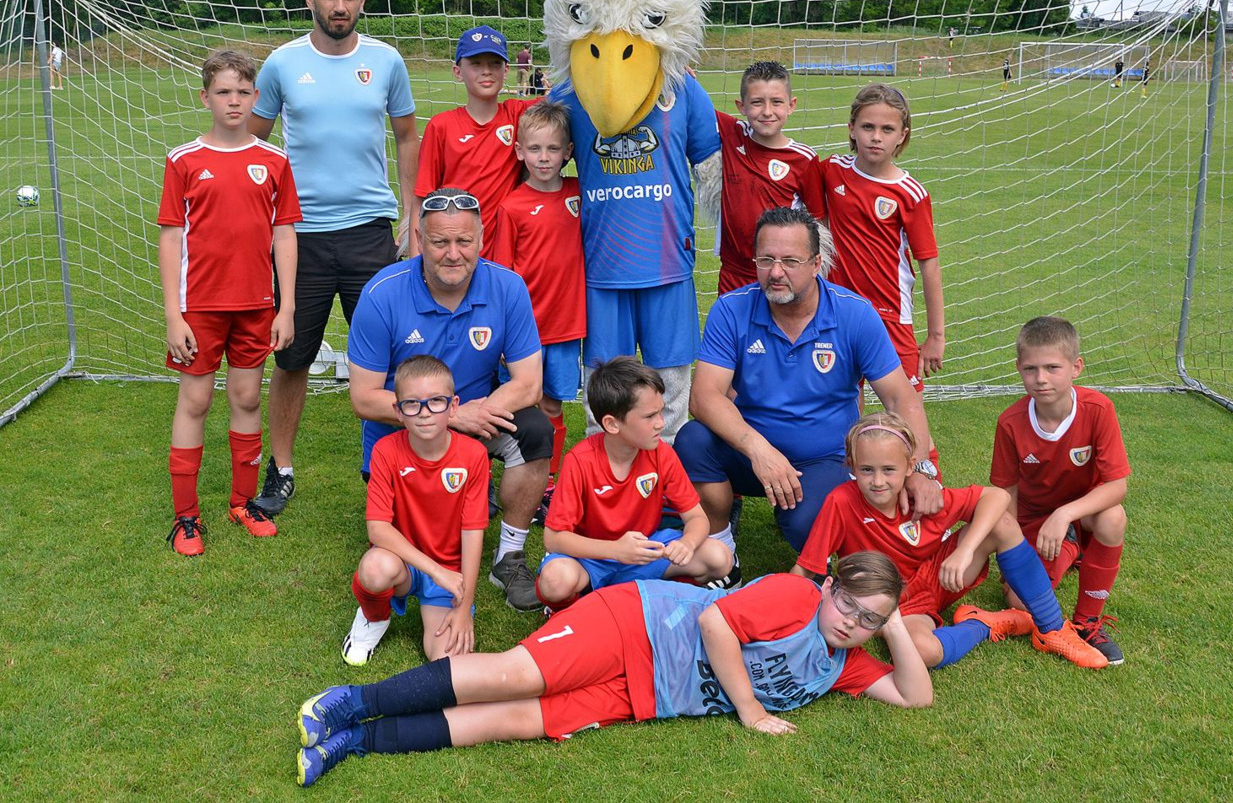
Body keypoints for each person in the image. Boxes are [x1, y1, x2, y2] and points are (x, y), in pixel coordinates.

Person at [294, 551, 931, 786]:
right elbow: (717, 622)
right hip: (637, 622)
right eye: (848, 604)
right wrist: (752, 711)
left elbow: (914, 697)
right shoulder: (795, 597)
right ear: (828, 587)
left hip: (647, 693)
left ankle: (355, 743)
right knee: (515, 675)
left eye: (868, 620)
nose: (851, 623)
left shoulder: (841, 663)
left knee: (514, 720)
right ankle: (351, 701)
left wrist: (894, 621)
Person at [673, 206, 941, 572]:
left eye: (790, 261)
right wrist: (759, 450)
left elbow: (900, 398)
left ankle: (804, 520)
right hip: (752, 453)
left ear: (816, 264)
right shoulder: (731, 309)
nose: (776, 272)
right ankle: (721, 550)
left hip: (824, 458)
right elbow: (704, 397)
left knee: (805, 525)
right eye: (766, 260)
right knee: (693, 440)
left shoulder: (854, 314)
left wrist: (922, 469)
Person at [248, 0, 419, 516]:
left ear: (362, 1)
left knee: (398, 357)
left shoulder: (387, 61)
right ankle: (281, 467)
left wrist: (412, 216)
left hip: (371, 232)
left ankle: (410, 467)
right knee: (292, 357)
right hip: (301, 238)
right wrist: (259, 219)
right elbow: (252, 144)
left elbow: (406, 137)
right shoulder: (281, 64)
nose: (339, 6)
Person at [346, 188, 552, 612]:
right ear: (420, 240)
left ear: (482, 239)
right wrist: (451, 417)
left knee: (535, 430)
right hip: (409, 430)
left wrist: (479, 412)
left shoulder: (508, 287)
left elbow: (529, 384)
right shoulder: (382, 294)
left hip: (478, 418)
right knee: (404, 555)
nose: (453, 254)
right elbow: (364, 398)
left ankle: (509, 557)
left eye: (464, 241)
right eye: (440, 242)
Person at [793, 412, 1107, 670]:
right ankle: (984, 624)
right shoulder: (842, 502)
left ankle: (1052, 629)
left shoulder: (926, 497)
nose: (877, 481)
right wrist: (790, 624)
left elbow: (997, 497)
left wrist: (965, 551)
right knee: (923, 652)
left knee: (1001, 523)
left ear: (909, 467)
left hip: (941, 576)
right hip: (893, 603)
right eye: (866, 470)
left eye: (888, 470)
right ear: (851, 466)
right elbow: (806, 569)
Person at [158, 49, 301, 555]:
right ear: (205, 98)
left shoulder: (274, 161)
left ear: (256, 97)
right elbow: (171, 238)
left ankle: (242, 503)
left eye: (242, 92)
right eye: (223, 92)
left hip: (256, 305)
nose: (234, 101)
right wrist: (173, 315)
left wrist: (285, 307)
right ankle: (186, 518)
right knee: (195, 401)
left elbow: (284, 234)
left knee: (246, 398)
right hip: (199, 307)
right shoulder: (184, 160)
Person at [553, 64, 720, 444]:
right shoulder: (573, 90)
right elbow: (537, 143)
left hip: (667, 261)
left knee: (671, 387)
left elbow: (713, 162)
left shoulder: (681, 87)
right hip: (602, 267)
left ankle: (667, 470)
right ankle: (602, 469)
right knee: (604, 386)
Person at [537, 358, 732, 611]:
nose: (661, 423)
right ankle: (579, 611)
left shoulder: (662, 454)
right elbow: (553, 538)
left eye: (661, 411)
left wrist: (688, 543)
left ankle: (650, 597)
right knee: (555, 581)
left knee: (719, 557)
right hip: (593, 557)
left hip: (646, 552)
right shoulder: (580, 461)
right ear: (612, 424)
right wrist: (616, 550)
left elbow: (697, 518)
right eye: (650, 416)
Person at [991, 316, 1130, 665]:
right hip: (1034, 521)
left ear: (1076, 367)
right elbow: (1005, 494)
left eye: (1052, 368)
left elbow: (1117, 486)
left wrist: (1065, 514)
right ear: (1019, 368)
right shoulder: (1010, 423)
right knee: (1019, 603)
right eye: (1030, 369)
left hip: (1082, 514)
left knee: (1113, 517)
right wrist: (1013, 552)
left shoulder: (1098, 409)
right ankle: (1069, 550)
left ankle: (1087, 622)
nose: (1041, 378)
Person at [341, 356, 488, 667]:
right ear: (398, 411)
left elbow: (473, 532)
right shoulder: (385, 451)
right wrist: (435, 570)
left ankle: (437, 606)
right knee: (375, 567)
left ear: (453, 406)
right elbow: (378, 529)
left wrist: (464, 607)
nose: (424, 413)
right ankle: (374, 617)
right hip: (404, 564)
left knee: (448, 663)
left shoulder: (474, 455)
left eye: (436, 401)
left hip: (449, 573)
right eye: (412, 404)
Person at [822, 84, 945, 401]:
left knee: (906, 407)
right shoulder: (832, 171)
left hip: (889, 314)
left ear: (902, 135)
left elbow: (929, 265)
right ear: (851, 129)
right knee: (844, 404)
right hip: (838, 310)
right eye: (868, 127)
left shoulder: (910, 194)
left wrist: (935, 336)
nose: (876, 137)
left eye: (887, 129)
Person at [493, 101, 584, 491]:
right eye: (534, 149)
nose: (543, 157)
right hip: (524, 332)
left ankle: (547, 482)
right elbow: (502, 276)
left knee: (552, 404)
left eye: (552, 148)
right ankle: (516, 472)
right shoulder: (511, 206)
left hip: (565, 327)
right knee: (519, 403)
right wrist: (502, 332)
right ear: (519, 151)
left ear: (568, 151)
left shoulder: (579, 194)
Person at [415, 25, 536, 259]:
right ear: (457, 71)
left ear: (506, 70)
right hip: (452, 256)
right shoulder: (441, 126)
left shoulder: (517, 114)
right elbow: (422, 198)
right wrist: (415, 261)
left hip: (502, 257)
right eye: (476, 63)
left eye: (495, 64)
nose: (486, 71)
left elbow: (567, 96)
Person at [713, 61, 825, 295]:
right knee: (732, 319)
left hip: (779, 274)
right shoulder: (733, 133)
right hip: (733, 272)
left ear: (791, 105)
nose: (767, 111)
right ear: (741, 106)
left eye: (776, 102)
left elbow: (819, 223)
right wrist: (684, 72)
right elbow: (693, 101)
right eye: (757, 102)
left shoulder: (803, 159)